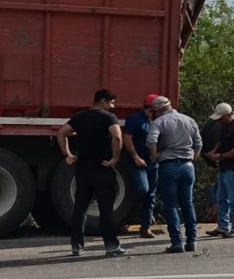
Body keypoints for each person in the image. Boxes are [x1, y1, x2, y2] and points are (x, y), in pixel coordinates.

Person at [56, 88, 126, 257]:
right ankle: (111, 246)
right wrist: (115, 159)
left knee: (80, 208)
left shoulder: (80, 117)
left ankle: (77, 246)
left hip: (83, 169)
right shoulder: (109, 117)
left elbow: (61, 133)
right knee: (106, 209)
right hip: (102, 168)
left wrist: (67, 155)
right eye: (111, 102)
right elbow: (117, 137)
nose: (113, 106)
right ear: (102, 101)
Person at [146, 96, 203, 253]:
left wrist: (154, 156)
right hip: (187, 166)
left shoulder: (159, 122)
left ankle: (177, 243)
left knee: (171, 205)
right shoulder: (189, 120)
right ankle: (192, 241)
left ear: (157, 110)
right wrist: (193, 158)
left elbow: (151, 141)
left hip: (168, 165)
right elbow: (198, 143)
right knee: (188, 203)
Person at [205, 103, 234, 238]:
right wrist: (214, 151)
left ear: (228, 115)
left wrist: (222, 156)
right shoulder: (224, 126)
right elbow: (221, 142)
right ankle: (222, 226)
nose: (219, 120)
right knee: (221, 197)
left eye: (221, 118)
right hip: (224, 167)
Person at [122, 93, 159, 238]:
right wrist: (135, 157)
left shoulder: (158, 120)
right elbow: (127, 138)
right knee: (143, 189)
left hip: (153, 163)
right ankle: (138, 214)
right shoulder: (135, 119)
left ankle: (145, 226)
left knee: (151, 194)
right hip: (139, 162)